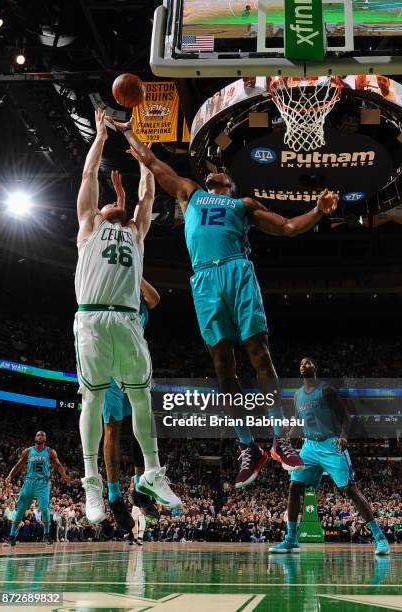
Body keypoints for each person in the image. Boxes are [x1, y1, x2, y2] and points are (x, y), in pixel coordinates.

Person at [105, 114, 338, 489]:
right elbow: (150, 161)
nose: (214, 178)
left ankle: (280, 440)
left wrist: (317, 210)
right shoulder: (190, 193)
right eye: (211, 176)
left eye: (222, 179)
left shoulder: (243, 205)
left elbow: (289, 227)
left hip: (237, 271)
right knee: (222, 368)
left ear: (230, 186)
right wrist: (128, 131)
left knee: (260, 356)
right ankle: (248, 447)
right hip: (204, 278)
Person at [75, 108, 181, 524]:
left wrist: (143, 158)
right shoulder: (88, 226)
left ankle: (152, 472)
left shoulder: (136, 232)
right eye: (106, 207)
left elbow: (147, 197)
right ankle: (91, 482)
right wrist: (99, 136)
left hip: (127, 322)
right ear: (100, 213)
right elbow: (87, 178)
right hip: (93, 320)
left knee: (141, 395)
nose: (107, 207)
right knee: (94, 399)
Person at [269, 356, 390, 556]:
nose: (303, 365)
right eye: (300, 363)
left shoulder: (326, 390)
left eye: (307, 362)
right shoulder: (297, 395)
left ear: (315, 367)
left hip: (331, 444)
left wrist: (343, 437)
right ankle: (291, 539)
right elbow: (299, 421)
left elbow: (346, 416)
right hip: (309, 446)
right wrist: (286, 439)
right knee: (294, 487)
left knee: (350, 490)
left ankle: (380, 537)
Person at [103, 276, 161, 529]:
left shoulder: (139, 292)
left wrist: (136, 272)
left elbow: (155, 298)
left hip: (135, 363)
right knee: (112, 427)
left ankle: (139, 489)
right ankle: (114, 495)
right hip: (110, 363)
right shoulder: (112, 283)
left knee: (143, 425)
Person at [4, 431, 70, 546]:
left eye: (42, 435)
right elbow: (19, 465)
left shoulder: (50, 452)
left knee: (45, 508)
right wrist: (10, 475)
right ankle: (12, 536)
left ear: (45, 438)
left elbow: (58, 465)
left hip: (43, 483)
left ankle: (47, 534)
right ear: (35, 437)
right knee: (20, 509)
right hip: (29, 481)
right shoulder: (28, 451)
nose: (40, 436)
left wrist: (64, 475)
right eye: (38, 435)